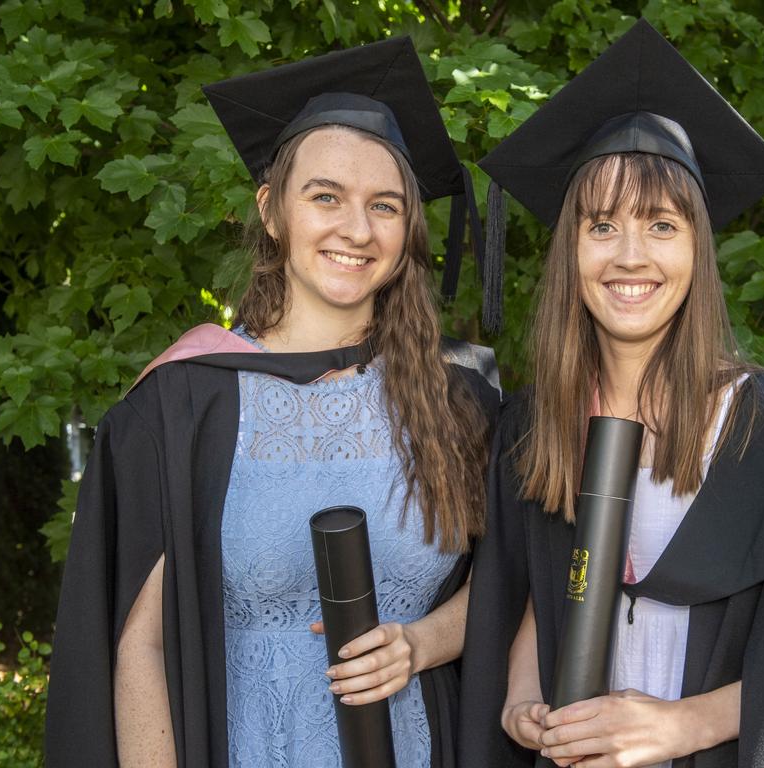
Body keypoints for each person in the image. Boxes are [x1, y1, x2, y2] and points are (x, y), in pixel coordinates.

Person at [460, 19, 764, 768]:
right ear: (571, 249)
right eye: (602, 226)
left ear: (699, 249)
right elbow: (535, 589)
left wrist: (685, 724)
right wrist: (523, 695)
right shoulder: (537, 425)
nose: (631, 256)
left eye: (661, 224)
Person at [45, 37, 499, 768]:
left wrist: (419, 642)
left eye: (383, 206)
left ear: (407, 230)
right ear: (272, 209)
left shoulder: (459, 401)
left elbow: (507, 585)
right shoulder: (185, 403)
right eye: (326, 197)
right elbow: (139, 649)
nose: (356, 230)